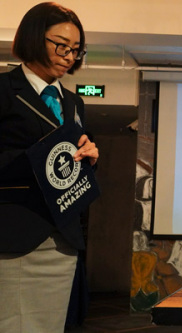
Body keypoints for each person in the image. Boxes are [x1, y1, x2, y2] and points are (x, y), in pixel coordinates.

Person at [0, 3, 98, 332]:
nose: (69, 55)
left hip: (63, 240)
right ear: (33, 36)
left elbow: (68, 166)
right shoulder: (3, 90)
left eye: (76, 49)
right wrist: (36, 159)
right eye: (61, 45)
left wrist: (88, 158)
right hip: (14, 236)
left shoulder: (74, 102)